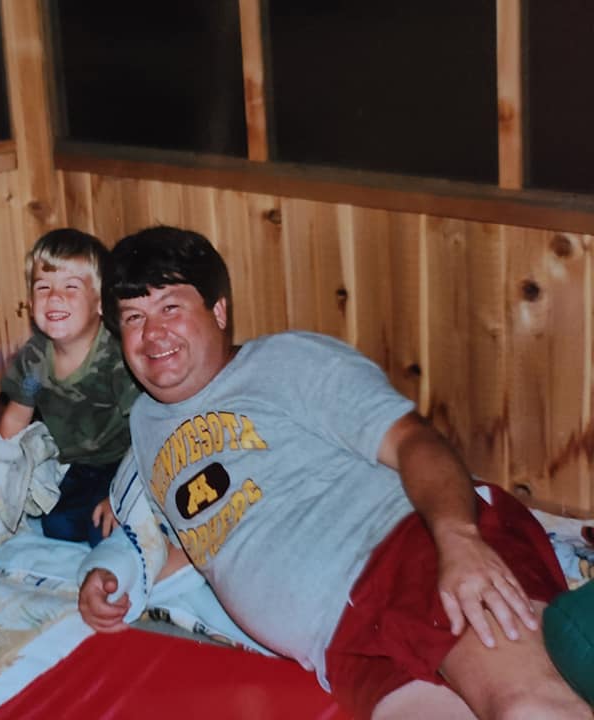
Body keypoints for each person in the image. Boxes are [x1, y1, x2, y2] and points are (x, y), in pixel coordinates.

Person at [77, 225, 592, 719]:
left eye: (170, 307)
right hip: (340, 647)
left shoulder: (284, 362)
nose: (153, 333)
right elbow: (200, 541)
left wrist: (459, 540)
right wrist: (117, 580)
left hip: (409, 556)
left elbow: (414, 441)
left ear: (218, 311)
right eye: (133, 317)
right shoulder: (145, 427)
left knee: (530, 709)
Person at [0, 228, 140, 547]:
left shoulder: (115, 358)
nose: (54, 297)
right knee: (56, 526)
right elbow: (16, 418)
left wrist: (123, 491)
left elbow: (147, 429)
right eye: (43, 287)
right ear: (30, 301)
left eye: (71, 287)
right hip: (80, 463)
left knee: (105, 531)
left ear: (101, 303)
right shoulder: (34, 359)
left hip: (130, 458)